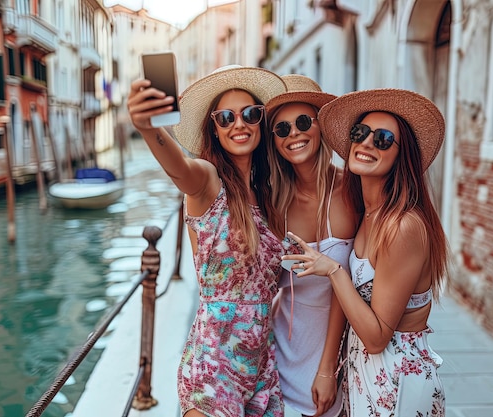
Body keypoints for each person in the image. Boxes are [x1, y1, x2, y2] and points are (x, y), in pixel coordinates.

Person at [127, 65, 288, 417]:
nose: (239, 124)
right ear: (214, 129)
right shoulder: (208, 181)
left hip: (262, 368)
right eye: (226, 117)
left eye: (249, 114)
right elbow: (180, 170)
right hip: (213, 368)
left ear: (261, 120)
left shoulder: (269, 194)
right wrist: (148, 128)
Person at [282, 89, 448, 417]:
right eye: (360, 133)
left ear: (403, 156)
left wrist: (333, 270)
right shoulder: (370, 213)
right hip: (366, 376)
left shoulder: (403, 226)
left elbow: (376, 337)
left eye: (384, 139)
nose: (367, 143)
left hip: (397, 383)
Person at [265, 75, 360, 417]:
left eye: (303, 122)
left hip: (334, 350)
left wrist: (326, 368)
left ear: (320, 127)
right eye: (282, 129)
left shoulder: (352, 189)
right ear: (274, 141)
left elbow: (343, 284)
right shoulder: (273, 201)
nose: (294, 133)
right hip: (282, 345)